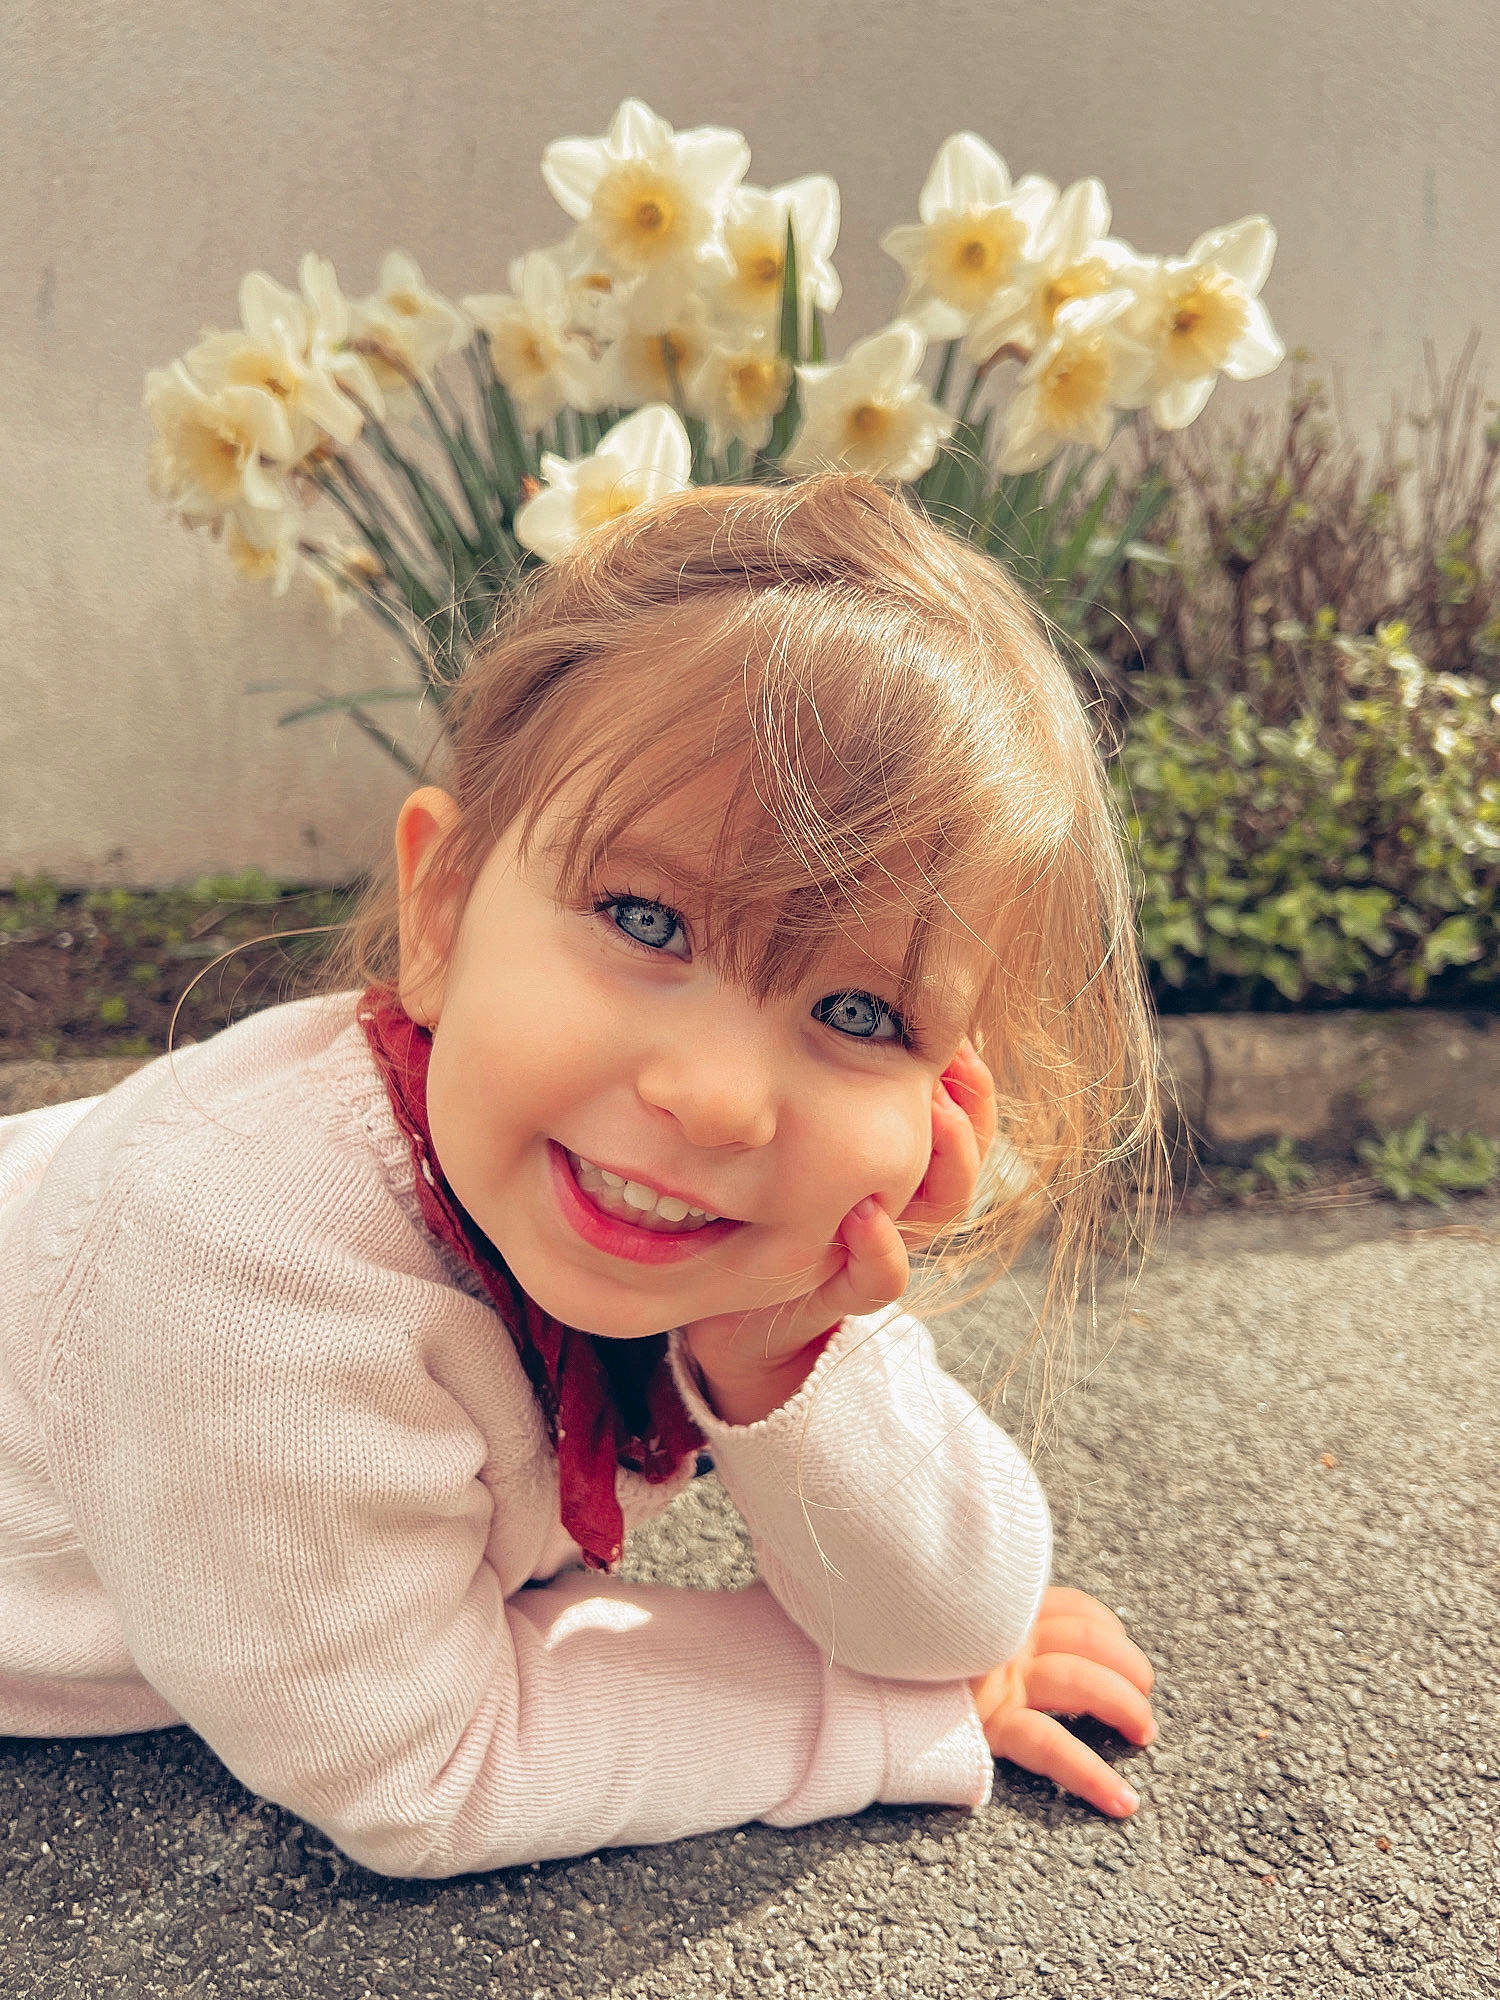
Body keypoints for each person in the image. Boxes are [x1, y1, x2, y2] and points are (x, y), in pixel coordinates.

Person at [0, 472, 1165, 1878]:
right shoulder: (240, 1267)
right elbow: (421, 1760)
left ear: (944, 1102)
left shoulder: (716, 1224)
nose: (721, 1100)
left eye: (859, 1016)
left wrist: (791, 1352)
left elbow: (955, 1613)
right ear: (441, 910)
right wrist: (872, 1713)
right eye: (644, 918)